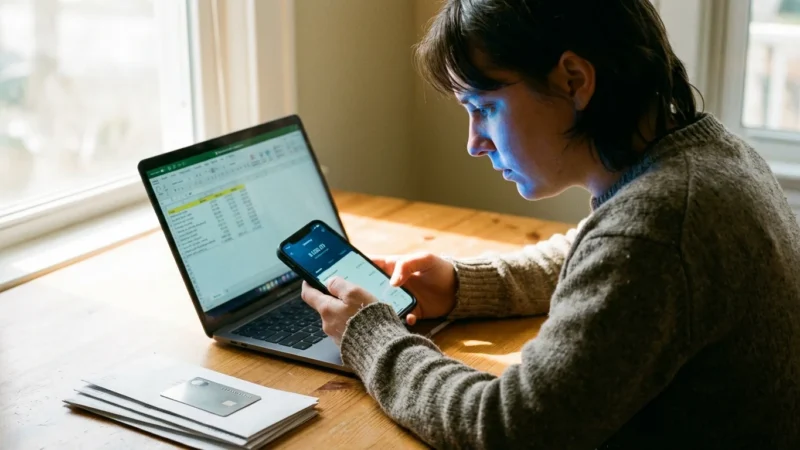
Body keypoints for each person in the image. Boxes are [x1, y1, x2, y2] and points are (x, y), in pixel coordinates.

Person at [300, 0, 800, 448]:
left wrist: (371, 336)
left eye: (484, 107)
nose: (475, 143)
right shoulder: (709, 157)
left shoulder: (655, 229)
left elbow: (507, 429)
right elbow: (596, 251)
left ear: (574, 81)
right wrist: (463, 284)